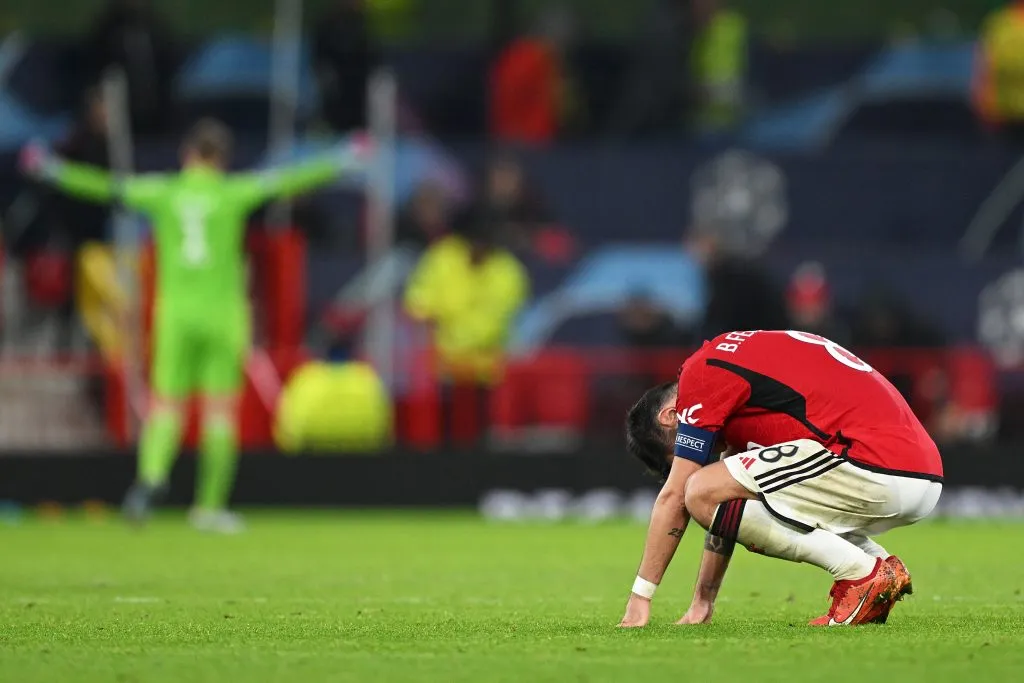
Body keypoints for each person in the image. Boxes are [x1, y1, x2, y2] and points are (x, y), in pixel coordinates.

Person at [22, 119, 368, 532]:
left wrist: (52, 169)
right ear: (221, 160)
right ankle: (208, 507)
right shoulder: (231, 192)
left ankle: (150, 480)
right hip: (223, 317)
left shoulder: (165, 192)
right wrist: (343, 159)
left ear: (188, 156)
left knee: (166, 406)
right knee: (219, 413)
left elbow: (106, 188)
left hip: (176, 318)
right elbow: (285, 181)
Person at [620, 329, 943, 627]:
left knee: (697, 489)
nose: (701, 459)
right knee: (712, 487)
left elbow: (677, 495)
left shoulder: (702, 374)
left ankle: (861, 574)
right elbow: (726, 506)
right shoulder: (742, 369)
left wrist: (640, 597)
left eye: (685, 456)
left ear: (671, 417)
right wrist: (703, 601)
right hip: (918, 470)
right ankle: (881, 566)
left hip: (872, 461)